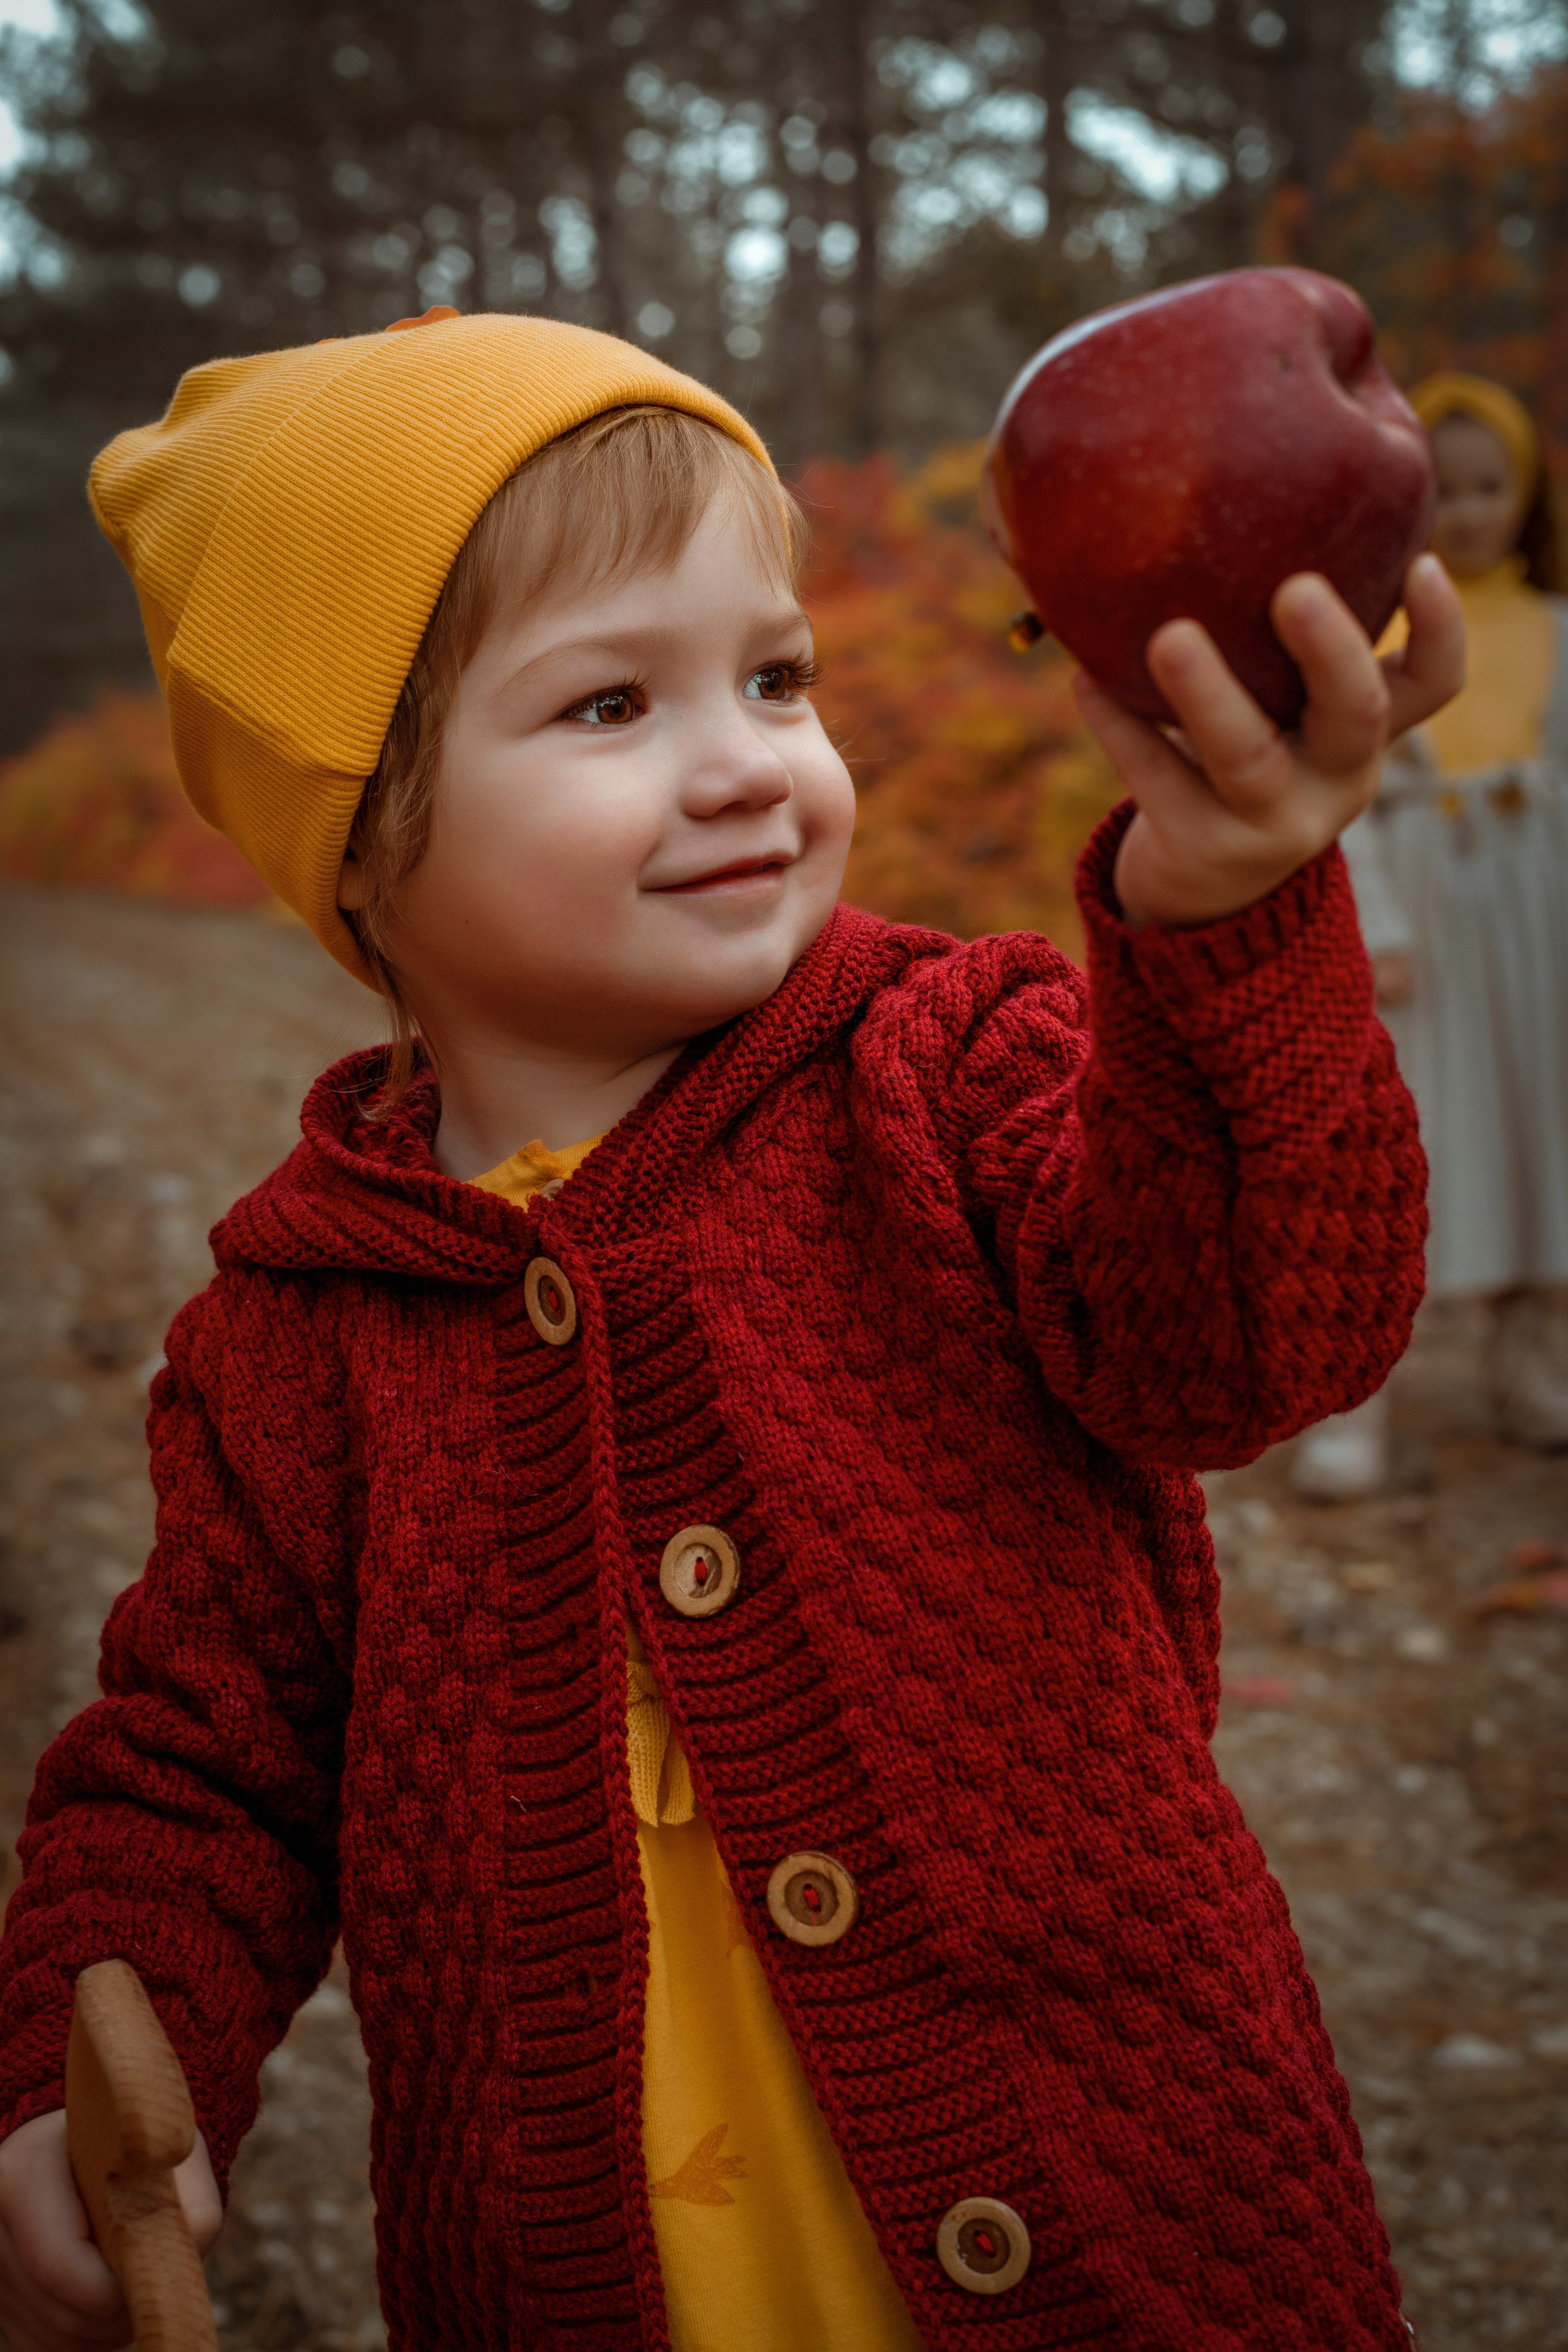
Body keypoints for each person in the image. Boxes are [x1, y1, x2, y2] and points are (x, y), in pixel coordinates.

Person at [0, 310, 1460, 2352]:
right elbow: (199, 1772)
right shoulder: (298, 1336)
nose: (747, 762)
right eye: (611, 706)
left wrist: (1229, 902)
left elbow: (1250, 1339)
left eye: (777, 678)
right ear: (361, 833)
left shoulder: (948, 1066)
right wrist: (85, 2071)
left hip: (1123, 2208)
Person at [1292, 372, 1568, 1501]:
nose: (1470, 510)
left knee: (1540, 1126)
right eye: (1445, 490)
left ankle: (1529, 1360)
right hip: (1422, 902)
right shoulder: (1374, 634)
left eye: (1493, 486)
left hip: (1539, 907)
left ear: (1531, 493)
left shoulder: (1556, 628)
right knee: (1409, 1136)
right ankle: (1361, 1395)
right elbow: (1340, 800)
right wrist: (1379, 925)